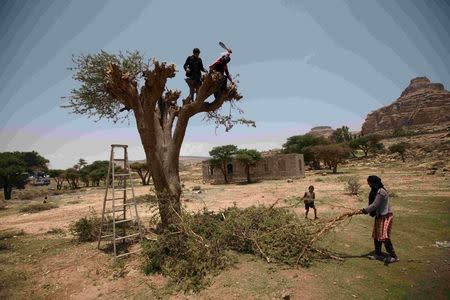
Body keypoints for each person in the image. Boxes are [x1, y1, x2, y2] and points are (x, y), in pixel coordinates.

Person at [361, 175, 399, 264]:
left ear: (374, 183)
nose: (369, 185)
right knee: (377, 236)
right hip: (379, 216)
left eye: (369, 183)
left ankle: (393, 256)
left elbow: (375, 205)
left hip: (385, 216)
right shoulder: (376, 190)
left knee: (384, 237)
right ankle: (377, 253)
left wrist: (363, 211)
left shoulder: (381, 192)